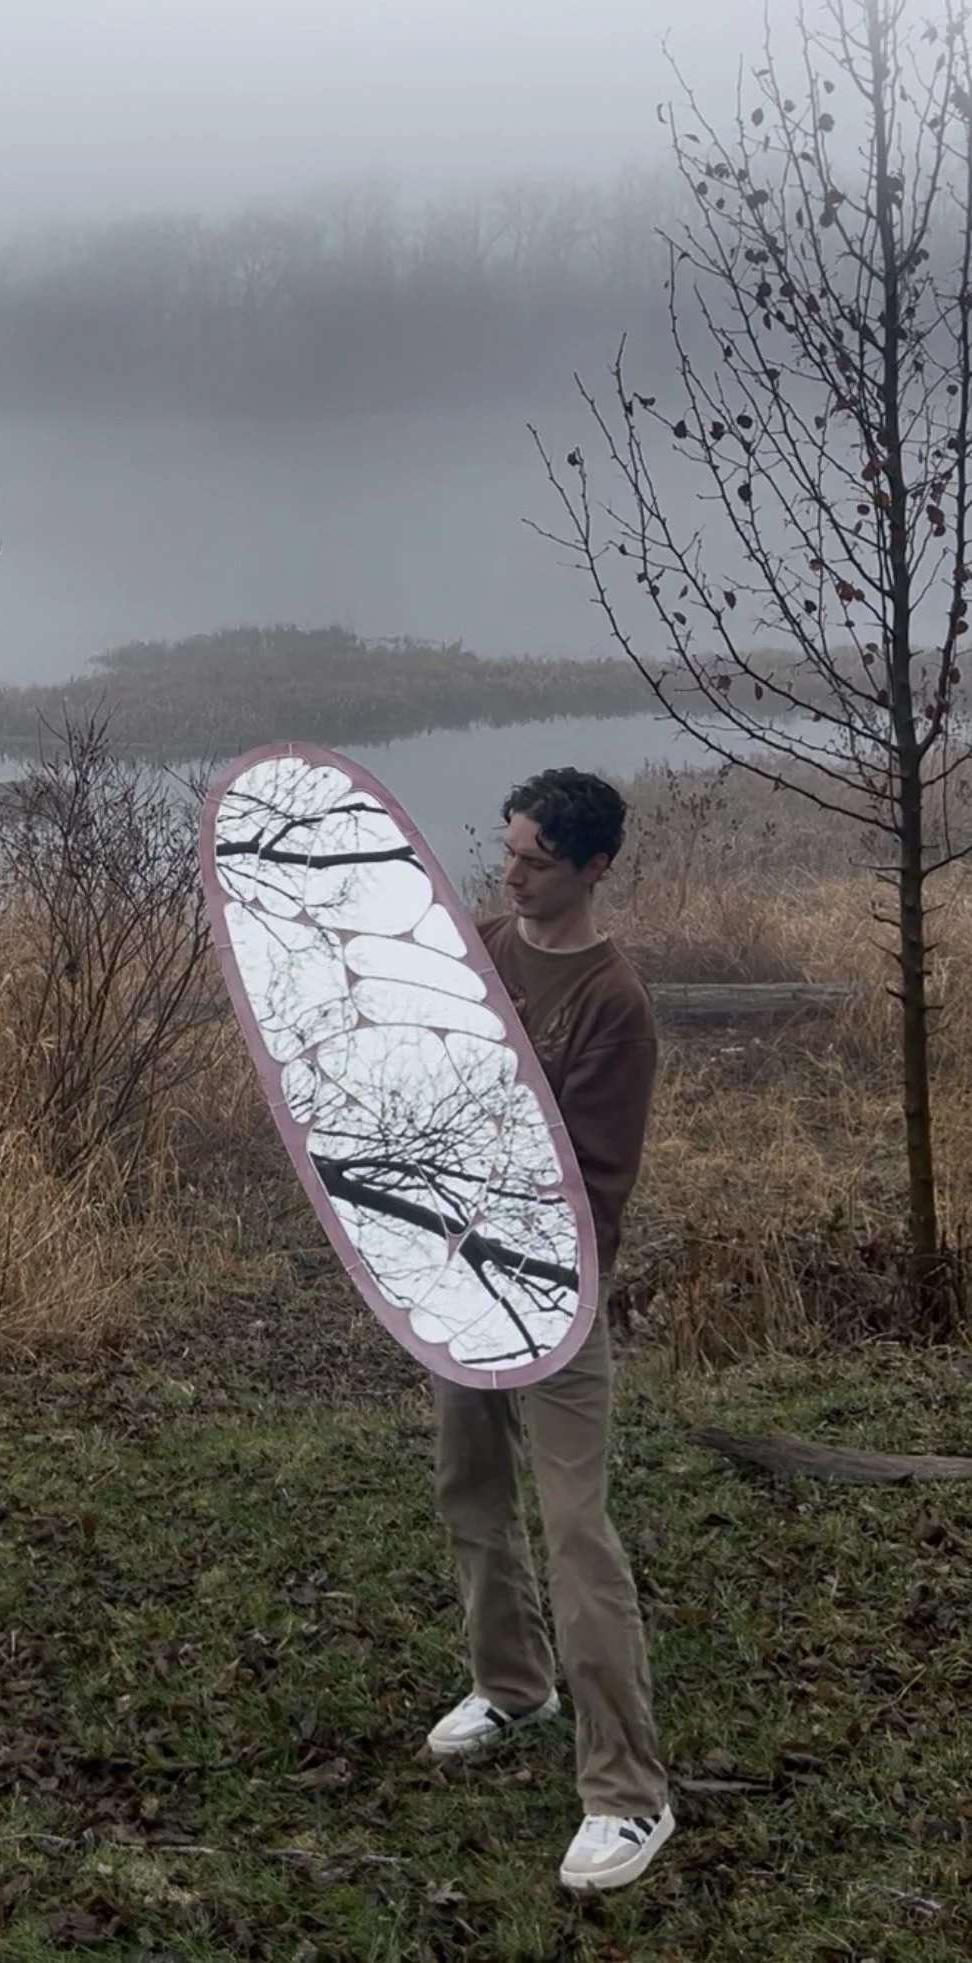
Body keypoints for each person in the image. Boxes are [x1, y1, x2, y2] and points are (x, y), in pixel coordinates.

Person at [427, 766, 674, 1893]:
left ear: (593, 867)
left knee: (577, 1532)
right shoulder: (479, 947)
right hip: (456, 1278)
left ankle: (628, 1794)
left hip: (553, 1295)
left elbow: (590, 1186)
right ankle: (513, 1685)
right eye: (509, 849)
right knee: (469, 1486)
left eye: (536, 860)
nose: (512, 873)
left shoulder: (613, 1004)